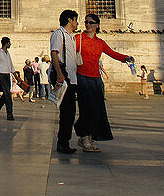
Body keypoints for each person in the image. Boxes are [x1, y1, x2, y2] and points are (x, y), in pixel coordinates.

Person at [74, 13, 133, 152]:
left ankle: (89, 138)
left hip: (96, 79)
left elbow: (112, 53)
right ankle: (85, 137)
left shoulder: (99, 42)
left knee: (97, 110)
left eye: (91, 22)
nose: (88, 25)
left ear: (97, 25)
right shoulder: (78, 39)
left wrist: (126, 58)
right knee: (86, 109)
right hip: (82, 77)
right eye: (86, 22)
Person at [50, 10, 80, 154]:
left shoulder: (71, 37)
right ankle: (62, 143)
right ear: (69, 20)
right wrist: (60, 74)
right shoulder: (58, 34)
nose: (77, 23)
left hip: (72, 78)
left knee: (70, 111)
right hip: (64, 76)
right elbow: (54, 53)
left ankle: (65, 141)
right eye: (75, 20)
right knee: (67, 111)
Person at [0, 37, 15, 120]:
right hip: (1, 76)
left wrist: (16, 77)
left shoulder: (7, 53)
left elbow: (11, 66)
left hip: (7, 76)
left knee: (6, 94)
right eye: (9, 43)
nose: (10, 44)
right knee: (8, 95)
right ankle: (9, 114)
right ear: (6, 43)